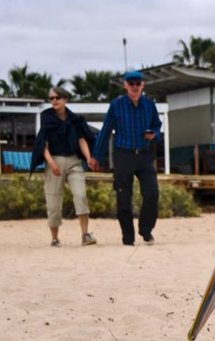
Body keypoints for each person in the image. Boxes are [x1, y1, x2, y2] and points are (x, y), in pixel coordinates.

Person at [93, 70, 161, 246]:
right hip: (123, 155)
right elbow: (105, 131)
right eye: (131, 83)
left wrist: (154, 135)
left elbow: (157, 126)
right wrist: (96, 156)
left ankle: (146, 230)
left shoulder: (149, 105)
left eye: (138, 83)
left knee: (152, 193)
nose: (135, 87)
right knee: (123, 197)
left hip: (145, 155)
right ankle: (128, 238)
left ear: (143, 85)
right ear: (125, 85)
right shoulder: (116, 105)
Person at [30, 86, 99, 247]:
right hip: (54, 161)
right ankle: (54, 238)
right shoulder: (47, 118)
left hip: (74, 161)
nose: (54, 101)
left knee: (81, 195)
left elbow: (82, 140)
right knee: (53, 201)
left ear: (65, 99)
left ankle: (85, 235)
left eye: (57, 98)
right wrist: (52, 163)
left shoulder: (75, 120)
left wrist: (89, 158)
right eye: (51, 98)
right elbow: (43, 145)